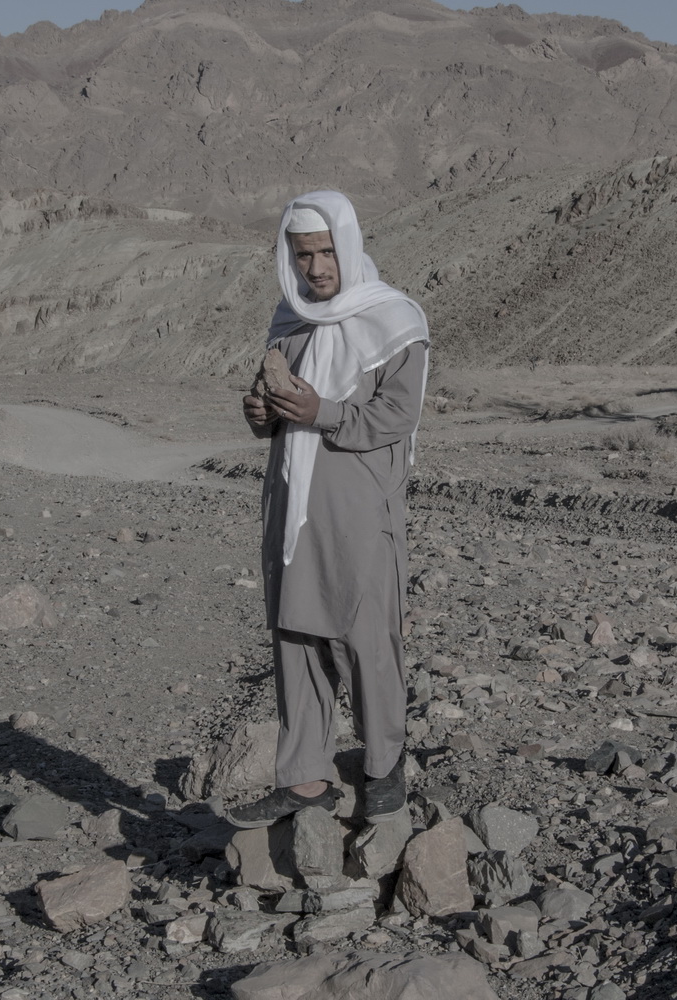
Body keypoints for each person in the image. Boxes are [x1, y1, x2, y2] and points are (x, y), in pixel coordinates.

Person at [227, 190, 430, 829]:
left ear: (347, 244)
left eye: (324, 253)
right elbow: (278, 413)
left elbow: (398, 415)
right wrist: (261, 415)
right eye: (302, 255)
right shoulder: (290, 322)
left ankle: (383, 767)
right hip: (292, 508)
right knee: (296, 639)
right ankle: (306, 779)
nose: (315, 268)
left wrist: (326, 413)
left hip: (359, 509)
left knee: (365, 639)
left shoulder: (394, 320)